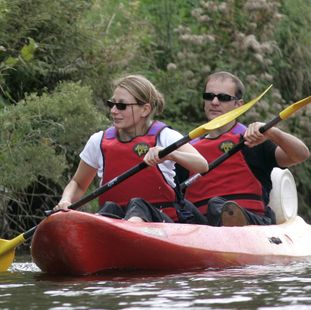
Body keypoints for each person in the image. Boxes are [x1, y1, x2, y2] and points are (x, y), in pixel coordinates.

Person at [53, 74, 209, 223]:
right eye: (112, 104)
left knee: (138, 205)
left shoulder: (165, 136)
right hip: (116, 221)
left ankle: (130, 229)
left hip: (161, 222)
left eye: (122, 106)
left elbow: (202, 165)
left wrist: (171, 155)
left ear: (145, 110)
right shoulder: (98, 141)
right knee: (109, 207)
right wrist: (65, 200)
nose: (114, 110)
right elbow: (78, 184)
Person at [185, 71, 310, 226]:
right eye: (209, 96)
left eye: (223, 98)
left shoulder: (253, 139)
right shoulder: (189, 148)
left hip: (251, 223)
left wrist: (272, 132)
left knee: (218, 205)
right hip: (202, 228)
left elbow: (301, 155)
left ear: (239, 105)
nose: (214, 102)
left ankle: (229, 220)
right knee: (181, 206)